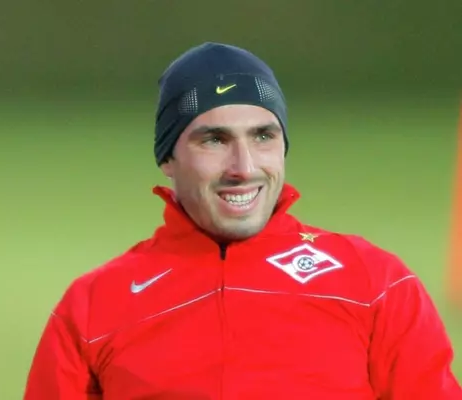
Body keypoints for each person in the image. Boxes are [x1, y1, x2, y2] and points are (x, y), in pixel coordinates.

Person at [23, 42, 462, 399]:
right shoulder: (93, 307)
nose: (244, 167)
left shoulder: (375, 283)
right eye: (214, 140)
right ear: (167, 158)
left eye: (263, 136)